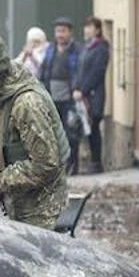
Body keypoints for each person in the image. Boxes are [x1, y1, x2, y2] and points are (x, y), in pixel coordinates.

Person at [0, 32, 70, 229]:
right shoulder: (2, 91)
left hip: (41, 212)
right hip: (21, 205)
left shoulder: (27, 104)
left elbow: (45, 165)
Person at [39, 16, 81, 175]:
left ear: (70, 32)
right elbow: (44, 71)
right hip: (52, 96)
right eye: (57, 31)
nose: (60, 35)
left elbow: (79, 72)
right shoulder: (50, 49)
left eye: (63, 31)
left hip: (70, 97)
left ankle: (72, 164)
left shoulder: (76, 50)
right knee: (53, 133)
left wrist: (77, 88)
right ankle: (58, 165)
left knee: (71, 132)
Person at [73, 17, 110, 174]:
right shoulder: (86, 48)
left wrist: (83, 90)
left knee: (94, 128)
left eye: (89, 27)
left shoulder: (101, 49)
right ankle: (87, 162)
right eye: (85, 27)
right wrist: (75, 87)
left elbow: (96, 73)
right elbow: (79, 71)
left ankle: (96, 163)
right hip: (82, 96)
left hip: (94, 96)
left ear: (97, 30)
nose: (86, 30)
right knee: (85, 129)